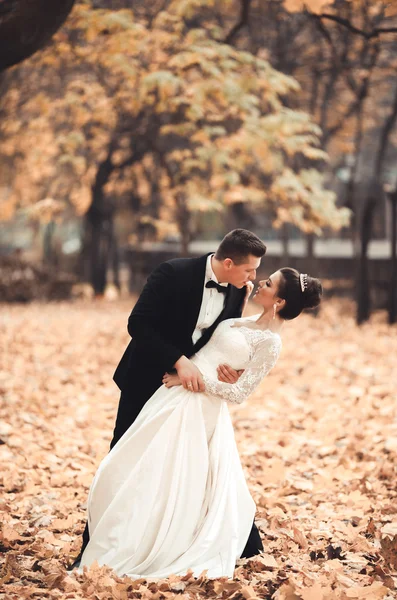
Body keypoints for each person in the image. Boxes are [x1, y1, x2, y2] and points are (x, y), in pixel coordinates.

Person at [78, 267, 322, 579]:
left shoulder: (271, 343)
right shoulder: (245, 316)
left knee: (173, 475)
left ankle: (160, 541)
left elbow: (240, 393)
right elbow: (214, 348)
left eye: (269, 283)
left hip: (198, 403)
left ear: (279, 302)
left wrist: (191, 379)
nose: (261, 281)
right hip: (173, 397)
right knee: (136, 464)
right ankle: (123, 532)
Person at [70, 229, 268, 569]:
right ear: (230, 262)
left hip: (190, 392)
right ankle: (95, 550)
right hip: (147, 378)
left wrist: (228, 370)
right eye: (250, 270)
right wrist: (179, 361)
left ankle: (237, 545)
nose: (254, 277)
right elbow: (139, 324)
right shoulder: (172, 273)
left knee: (203, 461)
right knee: (124, 456)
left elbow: (220, 340)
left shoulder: (238, 291)